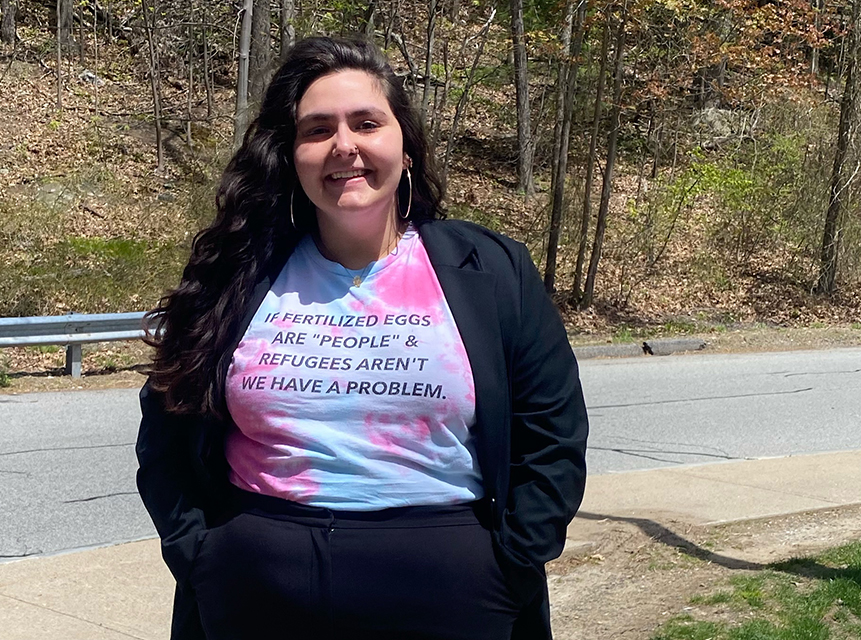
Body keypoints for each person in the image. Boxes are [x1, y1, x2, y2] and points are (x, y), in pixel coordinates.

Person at [136, 35, 588, 640]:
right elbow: (166, 430)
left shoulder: (489, 271)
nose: (343, 146)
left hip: (452, 589)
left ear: (403, 141)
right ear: (290, 153)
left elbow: (552, 434)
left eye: (366, 123)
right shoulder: (237, 276)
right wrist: (201, 554)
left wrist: (510, 564)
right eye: (317, 129)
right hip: (254, 586)